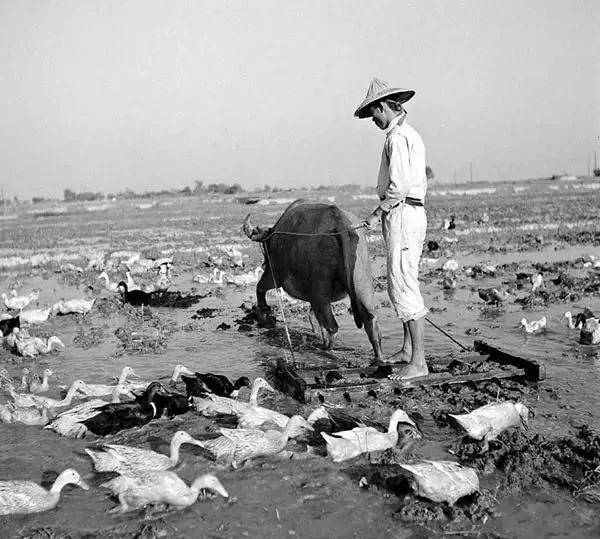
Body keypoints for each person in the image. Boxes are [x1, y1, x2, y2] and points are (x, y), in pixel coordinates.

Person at [354, 78, 428, 381]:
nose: (373, 120)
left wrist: (376, 213)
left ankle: (419, 362)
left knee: (403, 284)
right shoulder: (409, 135)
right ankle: (409, 350)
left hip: (402, 213)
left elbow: (398, 187)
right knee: (402, 279)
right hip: (406, 214)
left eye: (374, 113)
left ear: (384, 106)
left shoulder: (397, 138)